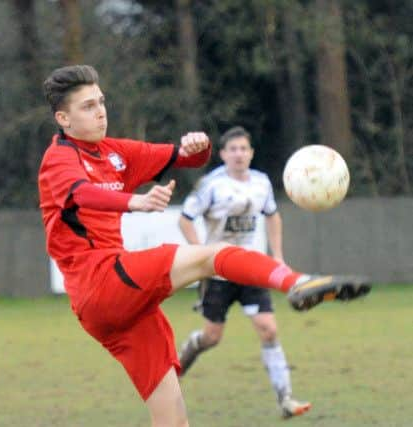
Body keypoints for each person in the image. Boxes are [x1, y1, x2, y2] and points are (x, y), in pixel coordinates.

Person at [38, 64, 370, 427]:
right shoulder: (60, 158)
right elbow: (79, 193)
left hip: (119, 310)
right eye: (88, 106)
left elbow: (186, 158)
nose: (101, 110)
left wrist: (199, 146)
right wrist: (133, 202)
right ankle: (296, 282)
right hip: (101, 282)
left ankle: (298, 284)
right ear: (63, 118)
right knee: (213, 255)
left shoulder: (115, 152)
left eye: (101, 101)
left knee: (174, 421)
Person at [177, 126, 310, 418]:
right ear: (223, 154)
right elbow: (185, 220)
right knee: (212, 337)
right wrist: (201, 254)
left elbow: (273, 216)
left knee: (269, 329)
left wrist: (277, 256)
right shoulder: (211, 184)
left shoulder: (261, 183)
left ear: (251, 153)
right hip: (218, 272)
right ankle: (184, 357)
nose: (238, 154)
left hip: (250, 269)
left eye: (243, 149)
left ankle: (286, 399)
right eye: (232, 149)